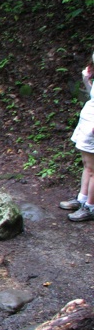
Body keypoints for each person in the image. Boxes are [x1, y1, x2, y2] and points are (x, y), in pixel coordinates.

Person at [61, 52, 94, 221]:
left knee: (93, 169)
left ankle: (90, 206)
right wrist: (86, 80)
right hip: (87, 124)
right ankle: (82, 199)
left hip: (92, 127)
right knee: (87, 166)